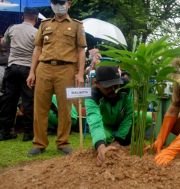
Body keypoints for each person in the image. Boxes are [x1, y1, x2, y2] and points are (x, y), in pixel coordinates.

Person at [26, 0, 87, 156]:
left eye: (61, 2)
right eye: (54, 2)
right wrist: (32, 72)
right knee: (40, 107)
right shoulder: (45, 24)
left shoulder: (76, 25)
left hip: (67, 69)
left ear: (69, 4)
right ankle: (39, 143)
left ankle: (63, 142)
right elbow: (37, 48)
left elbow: (81, 51)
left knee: (65, 108)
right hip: (44, 68)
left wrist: (80, 74)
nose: (58, 5)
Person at [0, 7, 39, 141]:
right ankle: (28, 134)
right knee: (28, 101)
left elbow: (4, 44)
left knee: (8, 100)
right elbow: (39, 51)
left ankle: (5, 132)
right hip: (28, 70)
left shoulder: (12, 28)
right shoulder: (36, 32)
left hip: (11, 68)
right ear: (36, 18)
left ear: (23, 16)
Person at [85, 66, 134, 166]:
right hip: (105, 125)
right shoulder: (92, 96)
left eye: (116, 85)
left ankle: (122, 139)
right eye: (107, 87)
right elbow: (95, 122)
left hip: (122, 121)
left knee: (144, 117)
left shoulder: (127, 87)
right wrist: (101, 148)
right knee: (105, 137)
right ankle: (108, 142)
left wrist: (118, 141)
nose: (113, 90)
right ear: (97, 84)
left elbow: (129, 115)